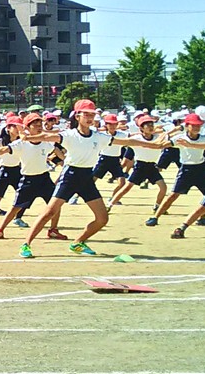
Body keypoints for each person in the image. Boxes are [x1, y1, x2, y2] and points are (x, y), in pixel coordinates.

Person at [17, 99, 165, 258]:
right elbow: (46, 136)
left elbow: (128, 141)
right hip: (70, 176)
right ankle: (26, 244)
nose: (89, 118)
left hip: (87, 178)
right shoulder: (70, 135)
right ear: (77, 116)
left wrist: (155, 145)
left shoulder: (98, 136)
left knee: (102, 218)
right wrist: (27, 138)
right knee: (49, 212)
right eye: (86, 114)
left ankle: (78, 243)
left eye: (92, 115)